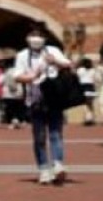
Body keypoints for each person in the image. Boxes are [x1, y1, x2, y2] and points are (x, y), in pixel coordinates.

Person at [13, 28, 72, 184]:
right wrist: (31, 76)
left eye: (39, 36)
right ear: (27, 38)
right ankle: (43, 168)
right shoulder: (22, 56)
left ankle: (57, 164)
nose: (36, 39)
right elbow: (17, 76)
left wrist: (55, 61)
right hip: (35, 99)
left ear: (45, 39)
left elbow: (67, 64)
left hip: (54, 98)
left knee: (55, 134)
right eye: (33, 36)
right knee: (39, 137)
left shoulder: (52, 50)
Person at [0, 58, 26, 130]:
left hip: (7, 94)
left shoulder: (5, 72)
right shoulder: (19, 71)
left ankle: (13, 122)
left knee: (10, 109)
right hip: (18, 92)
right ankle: (19, 121)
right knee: (18, 108)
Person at [76, 57, 98, 126]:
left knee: (85, 104)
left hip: (83, 88)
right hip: (91, 87)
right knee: (90, 104)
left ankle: (88, 118)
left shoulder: (80, 70)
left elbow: (77, 78)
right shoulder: (93, 70)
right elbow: (95, 79)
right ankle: (91, 118)